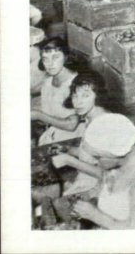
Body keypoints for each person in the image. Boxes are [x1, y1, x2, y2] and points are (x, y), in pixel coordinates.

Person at [71, 114, 135, 229]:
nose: (92, 162)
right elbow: (103, 187)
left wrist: (94, 215)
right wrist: (88, 195)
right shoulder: (114, 164)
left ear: (118, 154)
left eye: (97, 157)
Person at [45, 71, 115, 201]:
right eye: (75, 96)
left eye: (85, 96)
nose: (78, 102)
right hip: (85, 180)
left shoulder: (105, 124)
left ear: (98, 96)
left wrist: (69, 160)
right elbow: (91, 155)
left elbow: (109, 175)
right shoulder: (90, 117)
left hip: (102, 190)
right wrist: (67, 150)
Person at [31, 37, 81, 146]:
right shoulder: (47, 82)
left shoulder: (76, 83)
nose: (50, 64)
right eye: (45, 59)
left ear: (66, 57)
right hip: (53, 134)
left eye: (55, 57)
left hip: (74, 138)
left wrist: (38, 115)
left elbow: (72, 125)